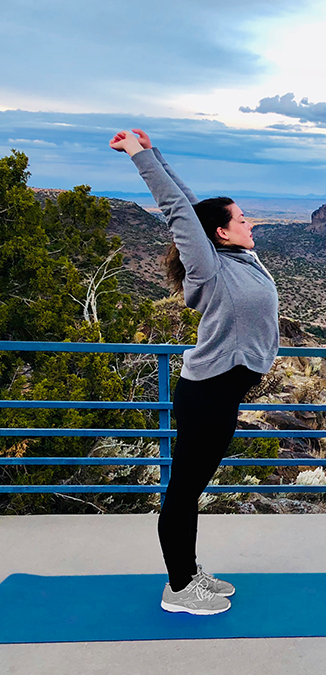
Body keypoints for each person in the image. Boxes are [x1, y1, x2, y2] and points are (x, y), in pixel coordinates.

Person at [110, 129, 279, 615]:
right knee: (183, 491)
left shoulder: (239, 257)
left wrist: (156, 149)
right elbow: (180, 213)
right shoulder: (208, 267)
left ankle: (189, 571)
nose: (251, 225)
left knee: (191, 488)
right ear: (222, 233)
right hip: (208, 394)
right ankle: (180, 587)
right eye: (243, 219)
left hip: (221, 394)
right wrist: (140, 157)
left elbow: (194, 205)